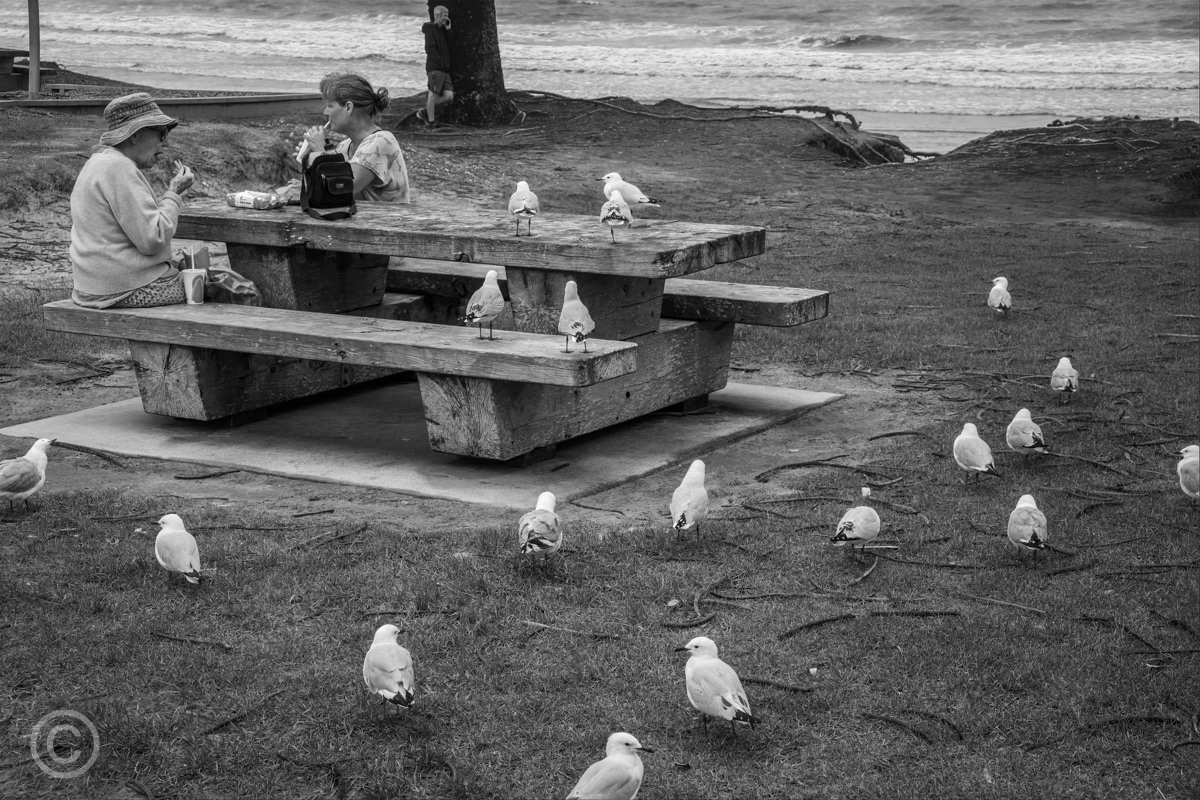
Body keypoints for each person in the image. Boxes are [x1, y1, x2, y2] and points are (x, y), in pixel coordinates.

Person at [69, 92, 195, 308]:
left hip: (91, 286)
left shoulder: (97, 163)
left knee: (189, 271)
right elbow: (151, 239)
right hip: (123, 288)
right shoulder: (119, 168)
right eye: (161, 134)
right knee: (210, 285)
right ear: (135, 134)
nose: (165, 143)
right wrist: (173, 194)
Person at [300, 72, 410, 204]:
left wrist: (321, 150)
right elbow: (325, 191)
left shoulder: (381, 142)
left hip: (387, 223)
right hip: (360, 222)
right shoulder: (344, 147)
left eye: (330, 106)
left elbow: (343, 188)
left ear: (348, 107)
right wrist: (308, 161)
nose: (325, 112)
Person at [420, 5, 454, 124]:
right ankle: (431, 122)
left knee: (449, 95)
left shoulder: (443, 30)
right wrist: (440, 63)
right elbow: (430, 49)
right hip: (435, 68)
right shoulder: (430, 29)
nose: (447, 18)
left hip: (444, 69)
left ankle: (424, 111)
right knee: (432, 95)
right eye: (445, 16)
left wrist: (449, 29)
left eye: (447, 15)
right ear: (437, 16)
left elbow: (450, 46)